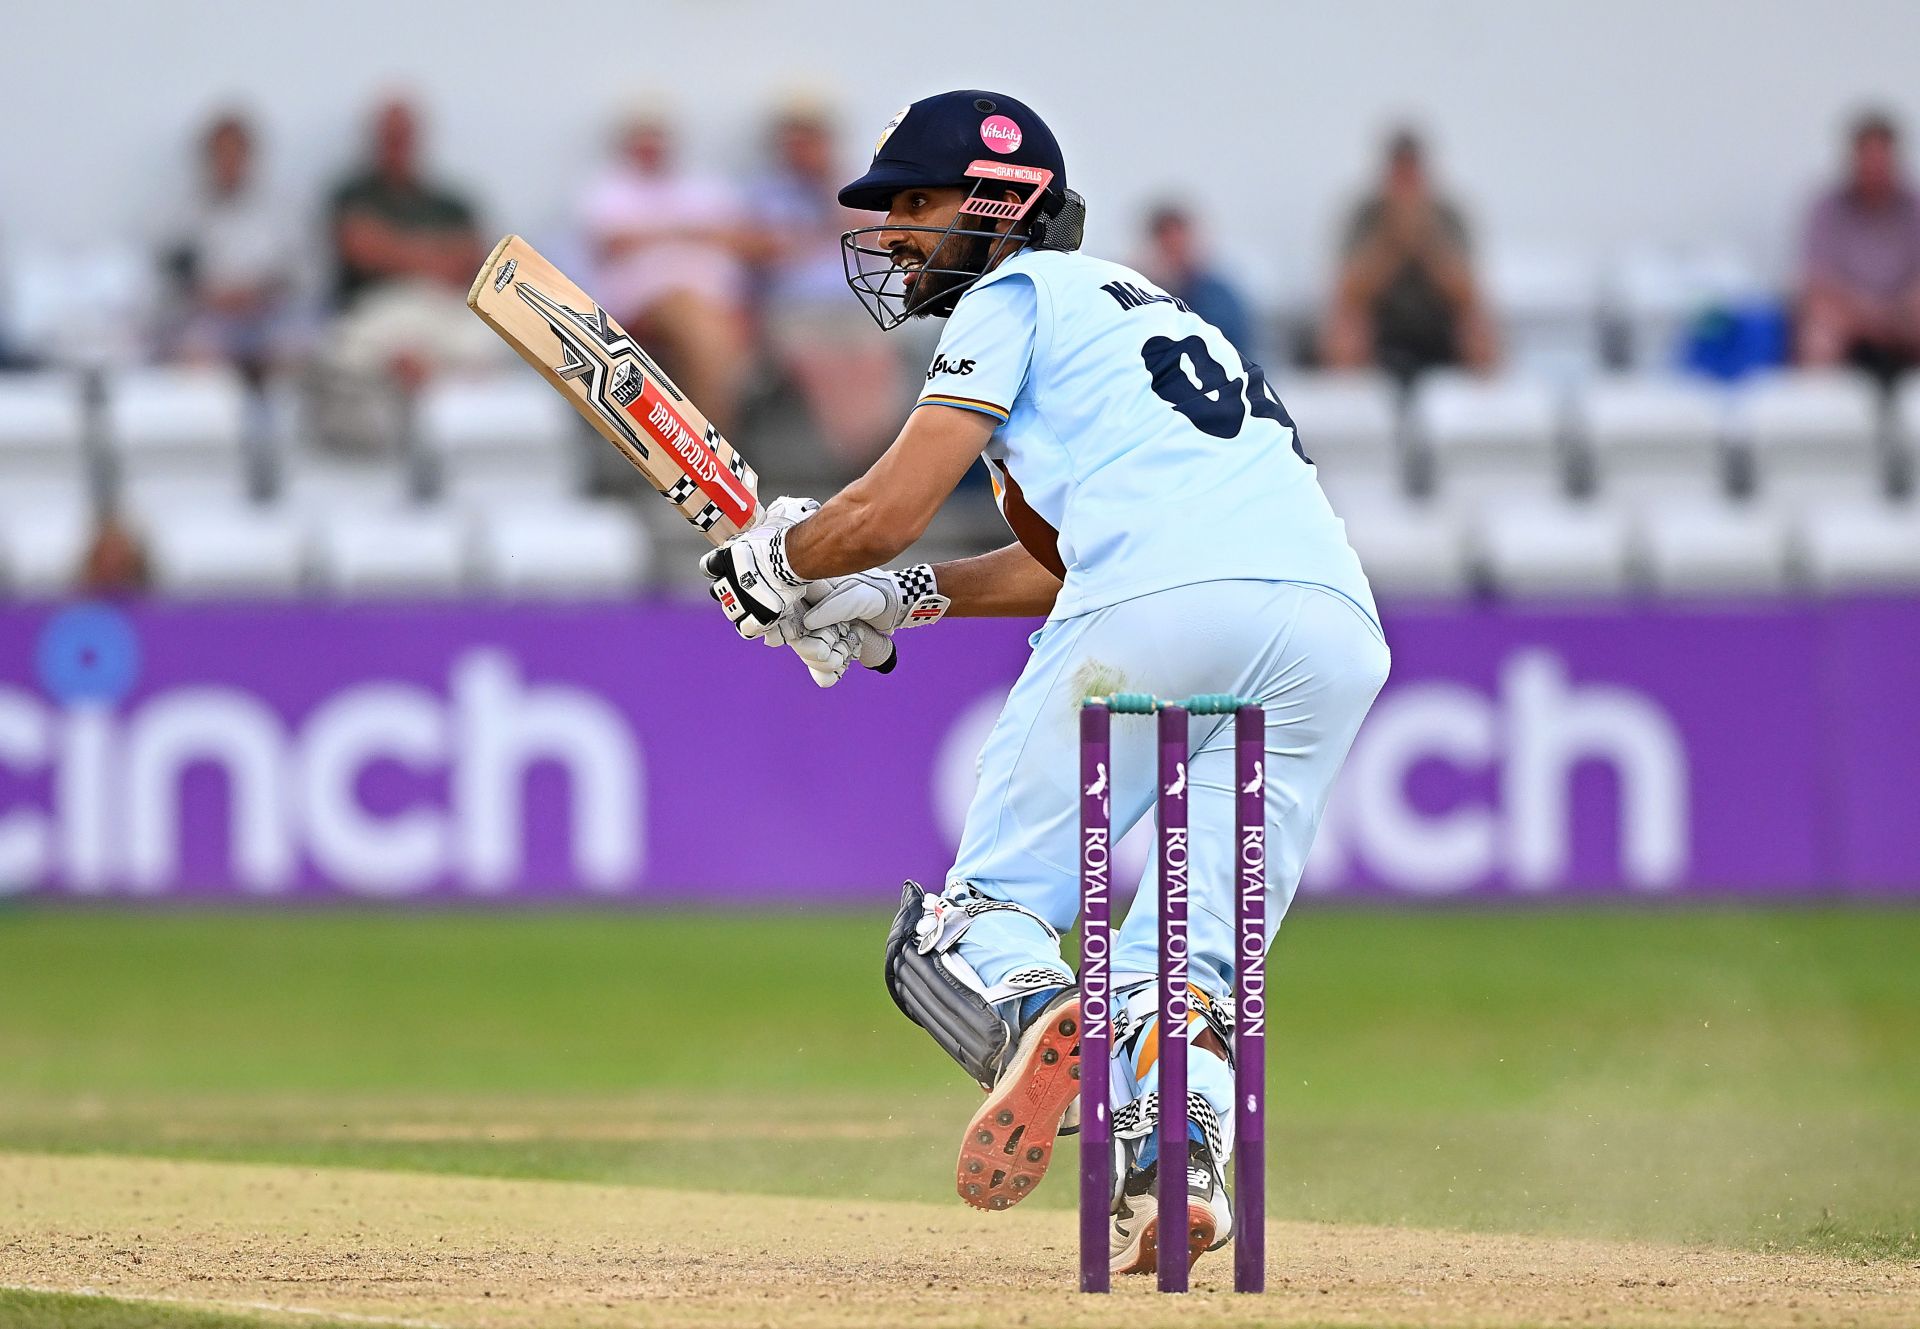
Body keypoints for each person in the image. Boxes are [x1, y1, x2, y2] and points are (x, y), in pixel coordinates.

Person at [695, 90, 1389, 1278]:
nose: (894, 232)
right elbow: (1056, 560)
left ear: (1001, 205)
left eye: (916, 204)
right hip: (1329, 630)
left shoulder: (1015, 294)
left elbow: (886, 507)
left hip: (1165, 604)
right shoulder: (1141, 316)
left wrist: (779, 561)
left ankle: (1030, 1012)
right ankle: (1180, 1169)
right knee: (1191, 957)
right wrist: (901, 595)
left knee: (973, 925)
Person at [747, 98, 910, 467]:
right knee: (823, 369)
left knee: (873, 363)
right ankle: (855, 463)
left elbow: (877, 235)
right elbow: (759, 248)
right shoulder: (765, 192)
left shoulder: (851, 186)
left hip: (855, 305)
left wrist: (824, 195)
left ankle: (874, 455)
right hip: (795, 310)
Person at [578, 106, 751, 434]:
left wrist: (662, 232)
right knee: (698, 324)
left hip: (714, 299)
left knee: (704, 330)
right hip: (648, 302)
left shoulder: (704, 185)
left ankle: (703, 438)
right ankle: (716, 436)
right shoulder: (609, 189)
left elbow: (744, 238)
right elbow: (609, 244)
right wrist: (686, 231)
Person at [322, 96, 498, 397]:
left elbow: (472, 263)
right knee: (340, 352)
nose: (397, 145)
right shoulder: (352, 194)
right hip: (376, 311)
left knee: (487, 348)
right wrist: (434, 253)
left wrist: (393, 247)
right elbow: (362, 251)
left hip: (437, 311)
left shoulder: (451, 202)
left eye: (403, 136)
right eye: (390, 137)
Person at [1321, 128, 1496, 380]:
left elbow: (1467, 295)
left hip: (1438, 327)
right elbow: (1348, 293)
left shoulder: (1448, 216)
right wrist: (1390, 244)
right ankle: (1347, 406)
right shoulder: (1365, 216)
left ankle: (1485, 408)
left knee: (1477, 329)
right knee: (1347, 329)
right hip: (1381, 329)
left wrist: (1427, 243)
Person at [159, 110, 300, 387]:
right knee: (194, 356)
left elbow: (302, 274)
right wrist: (209, 297)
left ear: (250, 157)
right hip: (211, 320)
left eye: (236, 153)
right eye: (221, 154)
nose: (229, 163)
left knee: (296, 354)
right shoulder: (184, 216)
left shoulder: (281, 212)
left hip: (270, 316)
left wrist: (258, 294)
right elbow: (171, 279)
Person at [1797, 110, 1920, 383]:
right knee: (1819, 335)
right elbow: (1818, 282)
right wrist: (1868, 315)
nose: (1875, 166)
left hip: (1903, 317)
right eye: (1868, 157)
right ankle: (1823, 419)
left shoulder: (1914, 207)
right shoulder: (1826, 208)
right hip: (1848, 318)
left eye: (1881, 157)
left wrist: (1898, 312)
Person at [1140, 203, 1256, 358]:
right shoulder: (1142, 293)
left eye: (1178, 243)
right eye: (1167, 244)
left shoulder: (1219, 295)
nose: (1174, 252)